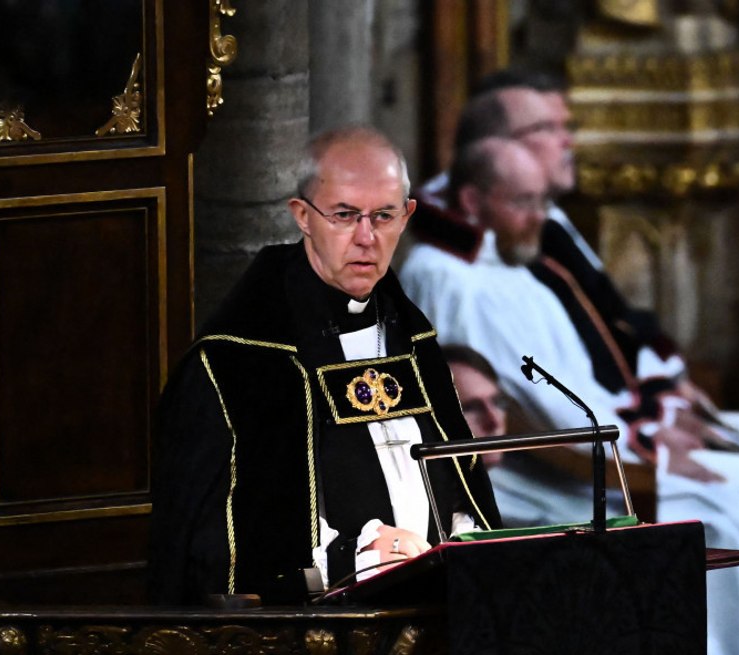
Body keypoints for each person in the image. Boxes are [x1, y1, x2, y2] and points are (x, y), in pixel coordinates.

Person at [399, 135, 739, 655]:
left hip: (582, 442)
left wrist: (657, 425)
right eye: (524, 203)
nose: (541, 217)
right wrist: (649, 464)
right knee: (717, 511)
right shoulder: (452, 279)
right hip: (524, 470)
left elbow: (587, 371)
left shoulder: (513, 260)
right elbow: (509, 410)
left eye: (541, 200)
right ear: (473, 199)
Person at [148, 126, 501, 607]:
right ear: (302, 217)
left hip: (437, 610)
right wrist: (352, 558)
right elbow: (212, 546)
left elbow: (462, 481)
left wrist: (464, 540)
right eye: (344, 215)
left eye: (383, 215)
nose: (366, 237)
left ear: (407, 216)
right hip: (316, 628)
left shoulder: (412, 338)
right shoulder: (240, 358)